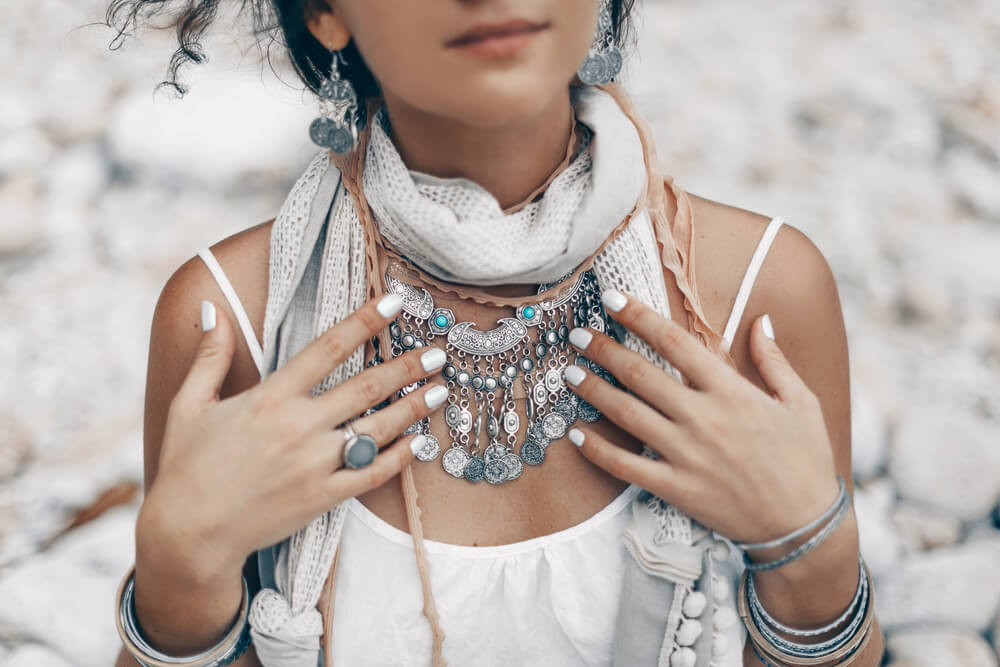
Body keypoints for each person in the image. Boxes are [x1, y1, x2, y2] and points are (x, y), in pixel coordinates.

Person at [106, 0, 885, 665]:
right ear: (325, 13)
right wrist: (178, 580)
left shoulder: (757, 294)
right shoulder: (236, 323)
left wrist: (811, 556)